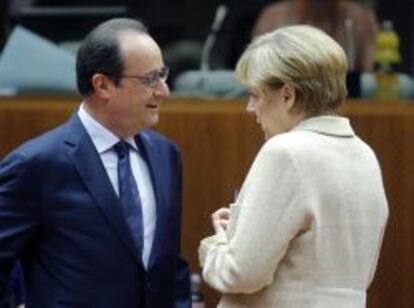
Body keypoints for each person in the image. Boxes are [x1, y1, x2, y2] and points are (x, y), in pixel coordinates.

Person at [0, 18, 191, 308]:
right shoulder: (36, 164)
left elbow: (168, 263)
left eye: (163, 75)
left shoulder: (166, 155)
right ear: (102, 85)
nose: (164, 91)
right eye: (150, 79)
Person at [199, 25, 388, 307]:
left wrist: (215, 246)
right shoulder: (364, 154)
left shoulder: (285, 151)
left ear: (287, 95)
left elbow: (242, 274)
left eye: (256, 95)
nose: (250, 108)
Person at [252, 0, 379, 71]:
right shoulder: (273, 18)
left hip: (349, 108)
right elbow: (257, 78)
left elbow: (374, 82)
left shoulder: (362, 19)